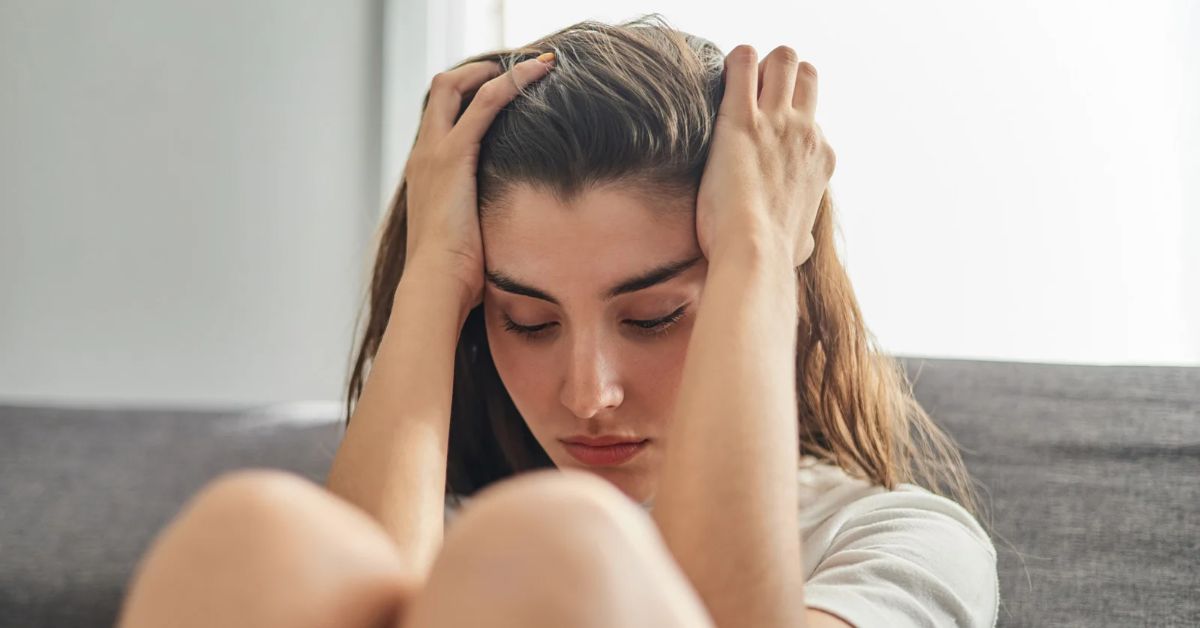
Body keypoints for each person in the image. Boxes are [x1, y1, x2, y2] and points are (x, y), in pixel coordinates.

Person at [116, 14, 999, 628]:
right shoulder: (433, 539)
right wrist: (433, 270)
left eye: (654, 317)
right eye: (527, 323)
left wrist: (760, 253)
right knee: (254, 531)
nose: (588, 394)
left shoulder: (894, 544)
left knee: (555, 543)